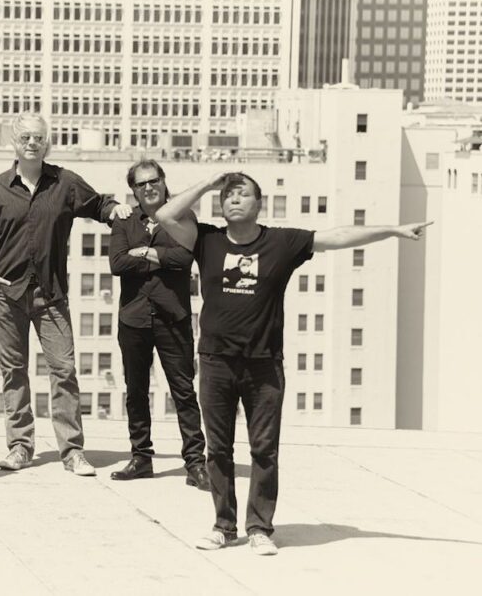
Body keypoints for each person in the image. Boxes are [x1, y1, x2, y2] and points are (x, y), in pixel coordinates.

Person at [156, 171, 431, 555]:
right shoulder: (207, 240)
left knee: (264, 450)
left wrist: (393, 230)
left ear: (259, 204)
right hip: (216, 360)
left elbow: (337, 236)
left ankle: (259, 528)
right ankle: (223, 525)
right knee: (218, 449)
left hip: (264, 363)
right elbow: (165, 215)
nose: (233, 199)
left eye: (242, 194)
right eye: (227, 194)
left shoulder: (281, 242)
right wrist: (206, 184)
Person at [0, 112, 132, 475]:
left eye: (39, 137)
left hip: (51, 295)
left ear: (48, 143)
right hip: (7, 295)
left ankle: (72, 451)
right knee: (14, 372)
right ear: (14, 143)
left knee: (64, 370)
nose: (32, 143)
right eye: (26, 137)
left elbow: (98, 205)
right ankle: (20, 446)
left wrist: (116, 209)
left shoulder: (65, 183)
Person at [108, 160, 210, 491]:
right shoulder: (124, 221)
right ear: (134, 190)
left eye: (154, 181)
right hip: (134, 318)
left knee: (183, 392)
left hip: (173, 317)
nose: (149, 187)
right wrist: (162, 257)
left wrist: (144, 253)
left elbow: (185, 258)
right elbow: (117, 263)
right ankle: (141, 458)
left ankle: (195, 463)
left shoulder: (183, 217)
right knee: (136, 391)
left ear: (164, 181)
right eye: (141, 184)